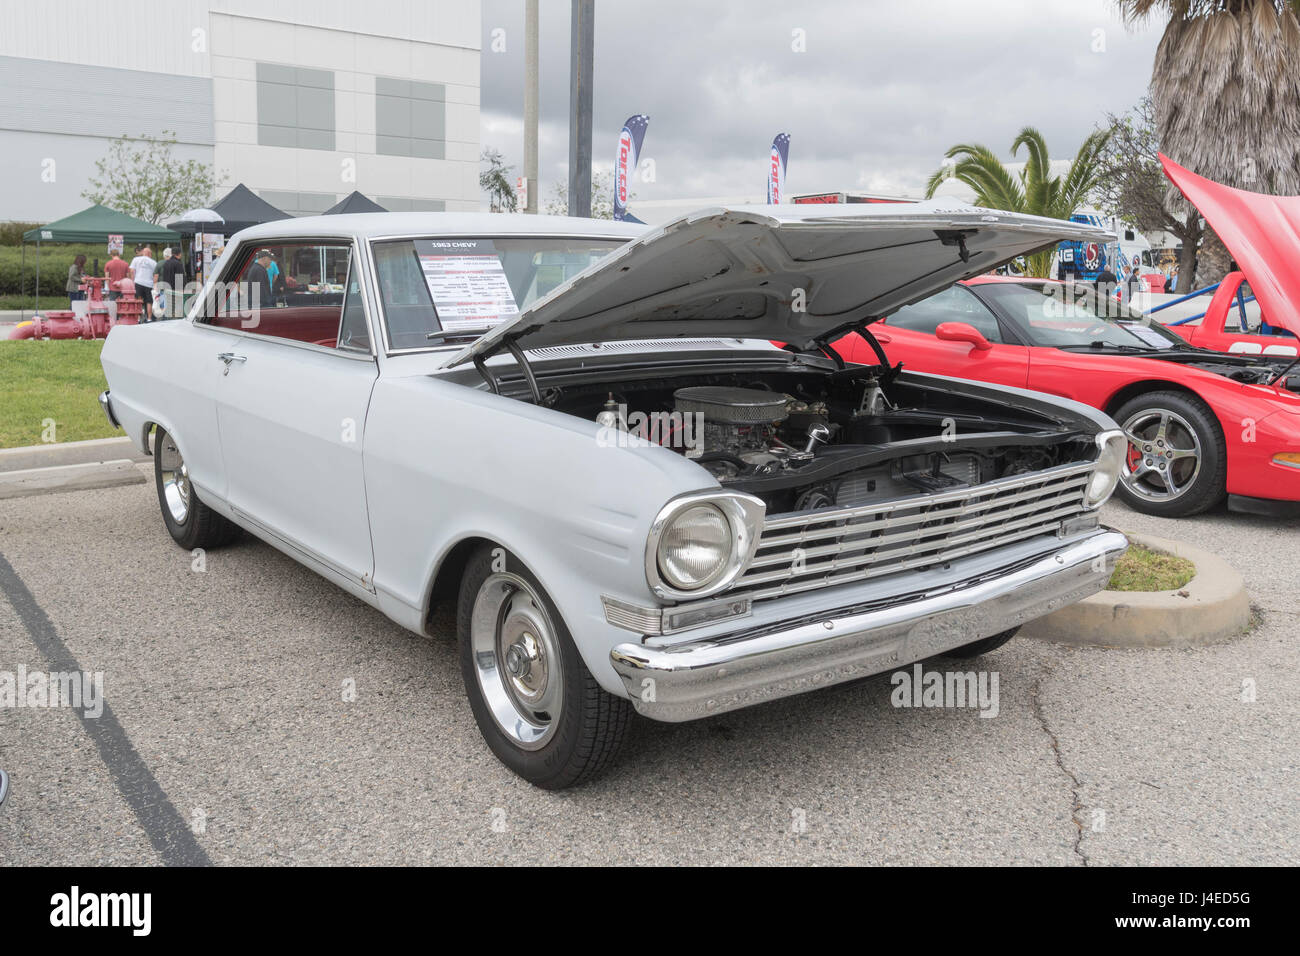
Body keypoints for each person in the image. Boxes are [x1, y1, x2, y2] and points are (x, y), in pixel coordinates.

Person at [130, 245, 157, 321]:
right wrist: (154, 285)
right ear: (149, 254)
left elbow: (132, 271)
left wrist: (132, 281)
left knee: (138, 300)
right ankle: (149, 318)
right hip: (149, 284)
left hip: (138, 282)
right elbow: (155, 275)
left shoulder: (136, 259)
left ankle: (138, 318)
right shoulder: (154, 262)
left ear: (143, 253)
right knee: (149, 301)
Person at [159, 247, 186, 319]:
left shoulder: (166, 263)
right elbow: (180, 279)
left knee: (168, 309)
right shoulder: (178, 264)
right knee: (176, 311)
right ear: (179, 254)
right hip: (176, 291)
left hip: (167, 290)